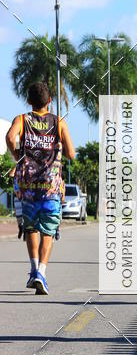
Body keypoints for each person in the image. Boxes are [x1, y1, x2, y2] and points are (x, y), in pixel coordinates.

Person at [5, 81, 75, 295]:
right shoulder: (59, 122)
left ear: (28, 101)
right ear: (50, 101)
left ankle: (34, 270)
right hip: (51, 186)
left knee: (31, 228)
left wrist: (17, 154)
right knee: (48, 230)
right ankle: (41, 273)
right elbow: (71, 154)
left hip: (27, 186)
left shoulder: (22, 119)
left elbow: (9, 137)